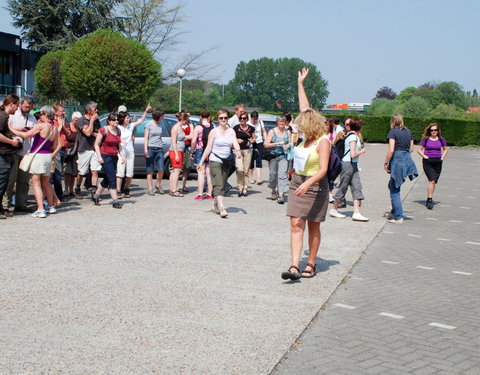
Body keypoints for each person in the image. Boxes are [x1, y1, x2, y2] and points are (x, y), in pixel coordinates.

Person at [281, 68, 330, 280]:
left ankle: (310, 264)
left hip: (315, 185)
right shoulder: (305, 138)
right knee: (296, 224)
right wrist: (300, 83)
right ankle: (294, 266)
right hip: (298, 182)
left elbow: (324, 170)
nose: (298, 128)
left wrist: (308, 184)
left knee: (313, 225)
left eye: (302, 125)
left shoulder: (323, 141)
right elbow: (305, 107)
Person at [9, 105, 58, 218]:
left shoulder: (41, 125)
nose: (39, 115)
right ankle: (51, 206)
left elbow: (26, 135)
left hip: (38, 155)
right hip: (47, 156)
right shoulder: (54, 128)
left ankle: (40, 209)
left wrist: (12, 129)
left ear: (45, 114)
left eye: (41, 113)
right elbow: (54, 145)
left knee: (36, 183)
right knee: (46, 183)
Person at [197, 109, 241, 218]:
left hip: (227, 160)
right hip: (215, 159)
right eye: (221, 118)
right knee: (218, 184)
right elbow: (208, 147)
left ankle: (215, 204)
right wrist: (201, 162)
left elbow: (235, 142)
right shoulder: (214, 131)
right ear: (218, 119)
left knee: (222, 183)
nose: (223, 120)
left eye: (225, 118)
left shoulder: (231, 131)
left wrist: (238, 151)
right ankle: (222, 208)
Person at [329, 118, 369, 221]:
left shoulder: (352, 135)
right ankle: (334, 209)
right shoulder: (353, 137)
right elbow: (353, 154)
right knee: (343, 186)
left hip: (353, 164)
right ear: (359, 127)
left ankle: (356, 212)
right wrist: (362, 151)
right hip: (348, 164)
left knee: (357, 186)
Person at [3, 95, 36, 212]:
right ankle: (5, 205)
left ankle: (21, 204)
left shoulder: (32, 118)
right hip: (13, 150)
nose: (28, 109)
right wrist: (20, 131)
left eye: (30, 107)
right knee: (10, 179)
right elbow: (6, 131)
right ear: (21, 104)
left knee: (24, 180)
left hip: (26, 151)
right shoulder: (12, 116)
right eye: (26, 106)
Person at [384, 113, 418, 224]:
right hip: (406, 158)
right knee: (392, 185)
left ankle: (398, 217)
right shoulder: (408, 131)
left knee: (395, 190)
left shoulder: (393, 132)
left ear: (393, 121)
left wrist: (386, 162)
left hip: (397, 160)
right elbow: (411, 148)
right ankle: (394, 211)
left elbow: (391, 149)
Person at [116, 103, 151, 198]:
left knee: (130, 173)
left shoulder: (130, 126)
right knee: (120, 173)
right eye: (127, 118)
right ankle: (118, 190)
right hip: (121, 152)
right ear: (123, 119)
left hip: (130, 152)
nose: (129, 119)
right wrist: (121, 140)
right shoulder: (117, 127)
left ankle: (127, 189)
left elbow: (141, 120)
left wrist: (146, 110)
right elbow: (113, 137)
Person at [92, 113, 125, 209]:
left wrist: (122, 156)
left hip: (114, 156)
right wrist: (99, 157)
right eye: (114, 120)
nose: (116, 121)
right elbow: (97, 144)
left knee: (107, 178)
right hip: (105, 156)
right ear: (109, 121)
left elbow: (118, 145)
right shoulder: (104, 130)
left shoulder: (118, 130)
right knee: (112, 178)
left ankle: (96, 196)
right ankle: (115, 201)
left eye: (117, 120)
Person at [417, 123, 448, 209]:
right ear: (429, 131)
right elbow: (419, 150)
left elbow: (446, 149)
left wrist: (442, 158)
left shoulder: (441, 139)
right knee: (432, 180)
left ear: (438, 131)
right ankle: (429, 199)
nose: (434, 132)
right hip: (428, 162)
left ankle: (430, 197)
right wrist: (425, 157)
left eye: (435, 130)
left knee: (434, 181)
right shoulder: (426, 139)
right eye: (432, 130)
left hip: (438, 161)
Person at [75, 101, 102, 200]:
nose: (97, 111)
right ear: (88, 110)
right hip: (84, 148)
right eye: (95, 109)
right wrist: (91, 122)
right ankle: (77, 187)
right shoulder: (81, 120)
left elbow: (98, 133)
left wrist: (92, 132)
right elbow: (87, 133)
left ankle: (94, 193)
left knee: (94, 170)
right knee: (82, 172)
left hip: (94, 148)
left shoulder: (97, 121)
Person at [0, 94, 21, 219]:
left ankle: (1, 208)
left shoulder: (5, 117)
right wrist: (12, 142)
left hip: (7, 154)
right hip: (2, 155)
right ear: (11, 104)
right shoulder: (2, 116)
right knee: (1, 182)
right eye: (16, 106)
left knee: (5, 183)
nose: (17, 109)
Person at [264, 115, 292, 204]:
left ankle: (281, 195)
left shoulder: (288, 132)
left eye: (283, 122)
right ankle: (273, 190)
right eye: (280, 122)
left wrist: (288, 145)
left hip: (283, 156)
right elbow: (266, 144)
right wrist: (277, 143)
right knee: (273, 175)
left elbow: (291, 143)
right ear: (277, 123)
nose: (282, 124)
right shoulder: (272, 132)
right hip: (273, 156)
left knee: (282, 175)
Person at [191, 110, 214, 200]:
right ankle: (209, 193)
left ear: (200, 117)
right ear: (209, 117)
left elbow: (193, 141)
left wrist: (192, 152)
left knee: (200, 172)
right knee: (209, 173)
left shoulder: (198, 127)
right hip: (210, 151)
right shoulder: (213, 127)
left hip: (200, 150)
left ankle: (200, 194)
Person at [233, 111, 255, 197]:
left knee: (246, 170)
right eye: (241, 118)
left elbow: (254, 138)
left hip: (247, 150)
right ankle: (239, 187)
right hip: (238, 150)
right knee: (239, 169)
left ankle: (245, 188)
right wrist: (236, 140)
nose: (242, 120)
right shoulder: (235, 128)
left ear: (247, 119)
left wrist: (252, 140)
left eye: (244, 118)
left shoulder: (251, 128)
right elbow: (232, 138)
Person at [144, 109, 165, 195]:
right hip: (151, 148)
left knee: (161, 169)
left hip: (159, 148)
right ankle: (150, 188)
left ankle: (158, 184)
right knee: (150, 170)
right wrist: (145, 150)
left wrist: (161, 143)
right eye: (162, 116)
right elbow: (146, 138)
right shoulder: (148, 125)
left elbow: (159, 136)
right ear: (158, 116)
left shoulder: (160, 124)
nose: (163, 117)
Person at [168, 112, 188, 197]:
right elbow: (173, 142)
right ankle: (174, 189)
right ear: (183, 120)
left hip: (180, 151)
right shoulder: (175, 128)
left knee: (174, 171)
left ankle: (172, 189)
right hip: (176, 151)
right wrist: (176, 154)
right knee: (176, 171)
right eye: (186, 119)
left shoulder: (180, 127)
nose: (187, 121)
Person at [63, 111, 82, 197]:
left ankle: (71, 189)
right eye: (75, 120)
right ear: (73, 119)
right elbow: (66, 136)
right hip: (68, 151)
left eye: (78, 120)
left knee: (74, 172)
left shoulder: (80, 127)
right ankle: (66, 189)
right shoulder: (67, 126)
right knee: (68, 171)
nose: (77, 122)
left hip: (77, 151)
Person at [248, 111, 266, 185]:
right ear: (251, 118)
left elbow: (264, 131)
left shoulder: (260, 122)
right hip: (251, 143)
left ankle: (259, 178)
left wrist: (265, 140)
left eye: (256, 119)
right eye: (253, 119)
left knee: (259, 159)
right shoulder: (248, 123)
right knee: (251, 160)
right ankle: (251, 177)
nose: (255, 120)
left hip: (259, 142)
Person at [179, 112, 194, 193]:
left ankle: (183, 186)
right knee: (178, 168)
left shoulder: (190, 125)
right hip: (180, 148)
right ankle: (175, 186)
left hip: (187, 147)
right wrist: (186, 137)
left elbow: (192, 135)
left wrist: (184, 137)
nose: (188, 117)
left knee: (186, 168)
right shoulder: (178, 125)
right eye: (187, 116)